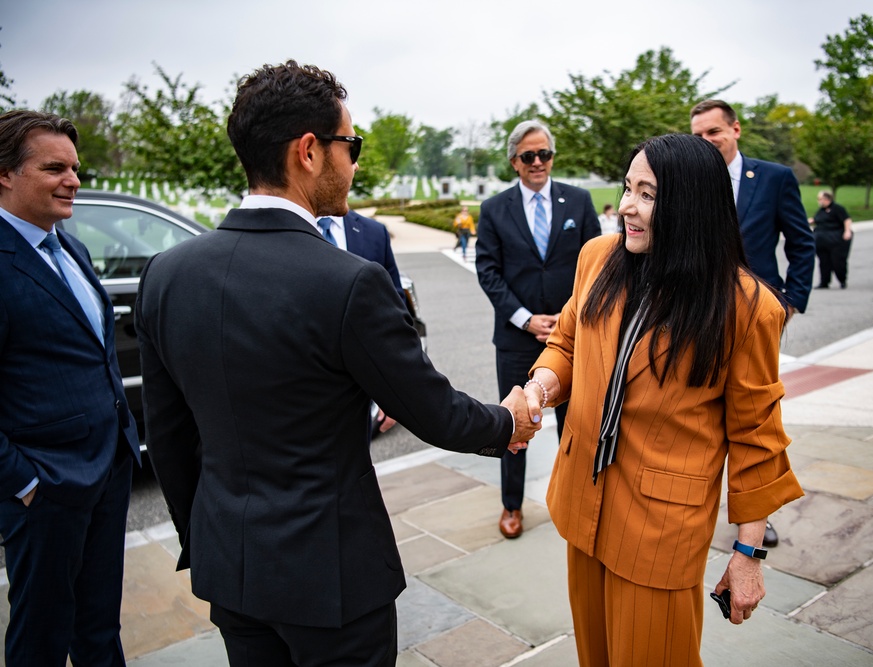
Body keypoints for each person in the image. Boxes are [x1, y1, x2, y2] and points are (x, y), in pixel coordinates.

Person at [135, 61, 540, 667]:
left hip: (229, 567)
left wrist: (211, 540)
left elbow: (167, 436)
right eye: (350, 145)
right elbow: (432, 409)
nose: (355, 162)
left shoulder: (165, 274)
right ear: (308, 151)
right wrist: (510, 421)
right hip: (332, 577)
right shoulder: (348, 281)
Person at [523, 134, 803, 666]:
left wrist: (747, 554)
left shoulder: (747, 309)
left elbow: (756, 438)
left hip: (660, 532)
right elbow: (567, 343)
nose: (627, 205)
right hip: (582, 501)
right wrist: (537, 391)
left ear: (691, 207)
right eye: (629, 188)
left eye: (647, 194)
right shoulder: (598, 258)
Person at [0, 110, 141, 666]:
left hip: (108, 470)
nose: (74, 180)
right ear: (5, 174)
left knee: (100, 628)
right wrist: (25, 483)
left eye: (75, 168)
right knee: (41, 638)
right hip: (46, 489)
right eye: (55, 168)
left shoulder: (72, 248)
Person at [691, 98, 814, 549]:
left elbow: (802, 244)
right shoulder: (693, 182)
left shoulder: (774, 178)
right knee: (704, 415)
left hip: (760, 315)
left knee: (757, 420)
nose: (706, 142)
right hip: (702, 315)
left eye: (713, 133)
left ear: (735, 130)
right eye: (698, 135)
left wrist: (790, 301)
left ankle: (757, 518)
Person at [475, 119, 601, 539]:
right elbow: (488, 271)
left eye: (544, 154)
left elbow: (597, 266)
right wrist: (525, 318)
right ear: (514, 161)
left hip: (573, 338)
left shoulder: (579, 202)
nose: (538, 162)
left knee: (577, 424)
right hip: (515, 339)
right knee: (515, 424)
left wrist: (567, 321)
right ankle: (511, 506)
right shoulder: (494, 209)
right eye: (528, 156)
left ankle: (579, 498)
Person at [317, 209, 406, 433]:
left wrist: (396, 393)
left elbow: (394, 315)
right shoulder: (282, 230)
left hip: (361, 402)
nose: (356, 170)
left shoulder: (374, 232)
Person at [810, 190, 853, 289]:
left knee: (838, 261)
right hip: (821, 240)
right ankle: (824, 282)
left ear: (827, 199)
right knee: (824, 261)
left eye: (820, 199)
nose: (819, 201)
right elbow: (816, 219)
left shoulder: (837, 209)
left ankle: (842, 280)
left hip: (835, 240)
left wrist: (847, 231)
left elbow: (847, 219)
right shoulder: (821, 210)